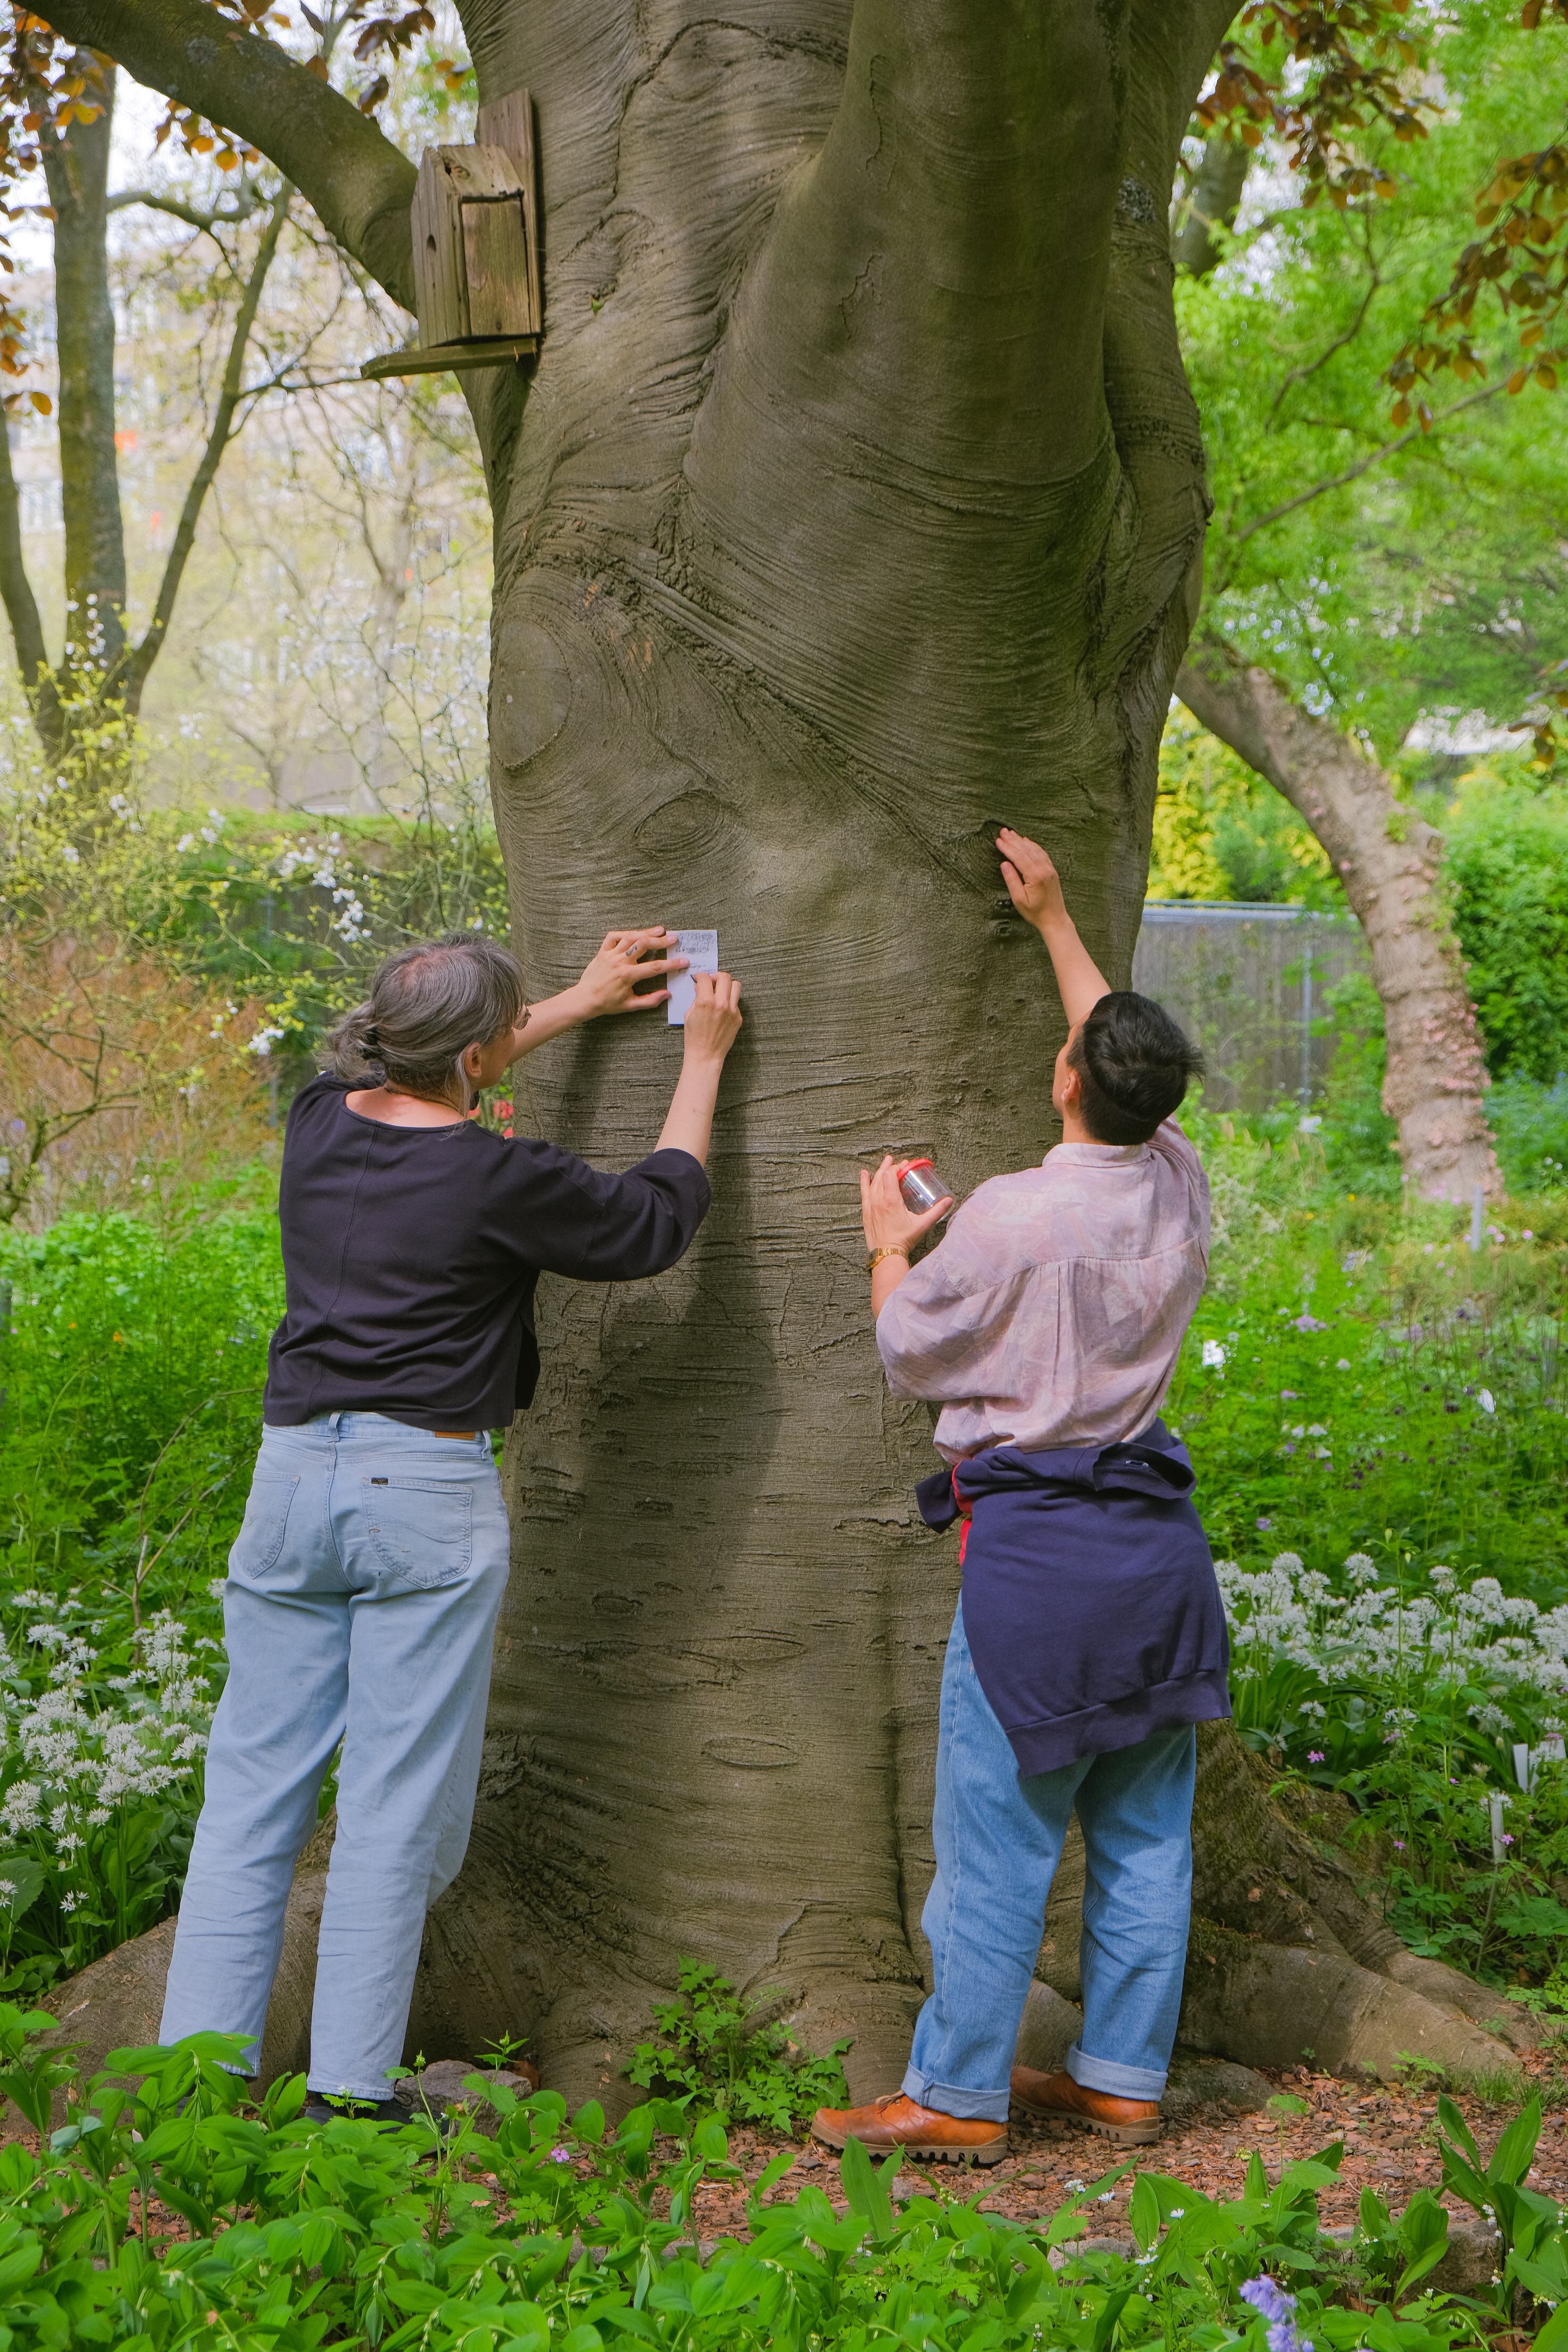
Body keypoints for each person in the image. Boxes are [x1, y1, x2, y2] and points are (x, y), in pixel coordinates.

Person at [159, 925, 743, 2122]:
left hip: (289, 1482)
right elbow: (650, 1223)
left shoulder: (318, 1121)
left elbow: (439, 1068)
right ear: (476, 1059)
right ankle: (349, 2095)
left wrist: (575, 1001)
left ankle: (186, 2095)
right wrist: (704, 1060)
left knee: (252, 1793)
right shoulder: (498, 1177)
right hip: (419, 1491)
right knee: (392, 1805)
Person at [812, 829, 1226, 2165]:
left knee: (994, 1844)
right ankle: (1117, 2076)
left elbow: (907, 1346)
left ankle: (953, 2096)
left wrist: (887, 1246)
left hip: (1037, 1566)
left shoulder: (1005, 1216)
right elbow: (1115, 1058)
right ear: (1156, 1104)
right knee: (1146, 1835)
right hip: (1158, 1562)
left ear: (1063, 1082)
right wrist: (1053, 921)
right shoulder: (1174, 1187)